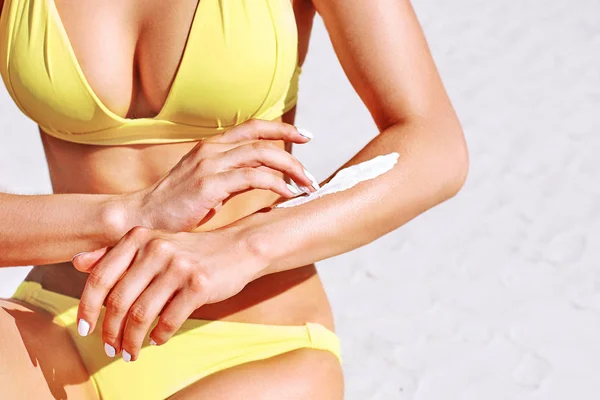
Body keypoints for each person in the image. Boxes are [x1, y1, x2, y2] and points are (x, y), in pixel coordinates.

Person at [0, 0, 469, 398]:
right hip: (56, 321)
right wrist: (128, 213)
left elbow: (434, 144)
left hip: (256, 346)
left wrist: (242, 246)